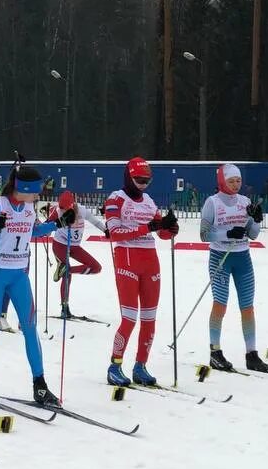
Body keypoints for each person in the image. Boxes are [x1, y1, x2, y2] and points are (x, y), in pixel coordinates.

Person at [0, 164, 61, 405]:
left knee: (30, 327)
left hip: (19, 275)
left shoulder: (29, 208)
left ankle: (39, 385)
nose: (38, 196)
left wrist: (57, 224)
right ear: (24, 189)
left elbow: (32, 232)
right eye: (36, 191)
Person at [104, 158, 180, 386]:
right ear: (128, 176)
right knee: (129, 318)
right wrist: (150, 227)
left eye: (147, 181)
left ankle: (140, 366)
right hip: (127, 258)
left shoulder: (148, 201)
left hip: (150, 261)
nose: (143, 185)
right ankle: (114, 365)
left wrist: (169, 228)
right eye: (139, 180)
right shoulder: (116, 198)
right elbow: (114, 232)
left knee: (149, 319)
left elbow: (161, 232)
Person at [201, 163, 266, 373]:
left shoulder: (245, 201)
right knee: (220, 304)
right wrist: (227, 234)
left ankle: (251, 353)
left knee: (247, 306)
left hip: (242, 258)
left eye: (238, 180)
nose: (236, 184)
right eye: (231, 181)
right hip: (220, 257)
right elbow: (204, 235)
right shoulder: (212, 202)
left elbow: (253, 234)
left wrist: (256, 220)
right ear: (222, 181)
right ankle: (215, 351)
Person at [48, 189, 105, 317]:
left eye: (65, 208)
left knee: (96, 268)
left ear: (72, 204)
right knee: (67, 277)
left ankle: (66, 269)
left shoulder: (82, 210)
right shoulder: (57, 211)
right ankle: (64, 307)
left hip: (74, 246)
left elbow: (95, 221)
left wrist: (105, 230)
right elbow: (45, 228)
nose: (62, 210)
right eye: (61, 207)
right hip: (60, 245)